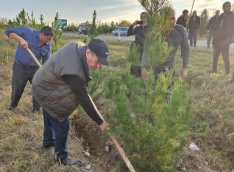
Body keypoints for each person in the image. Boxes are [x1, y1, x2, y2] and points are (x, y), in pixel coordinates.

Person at [32, 39, 108, 166]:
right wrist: (100, 121)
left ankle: (48, 142)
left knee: (49, 113)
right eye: (97, 61)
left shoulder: (77, 45)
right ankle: (62, 158)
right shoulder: (74, 72)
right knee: (62, 123)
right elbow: (84, 99)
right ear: (89, 53)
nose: (98, 66)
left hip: (42, 83)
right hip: (45, 89)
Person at [5, 26, 53, 112]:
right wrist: (20, 39)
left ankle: (36, 109)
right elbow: (8, 32)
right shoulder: (28, 32)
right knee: (17, 88)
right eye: (48, 38)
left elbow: (47, 62)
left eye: (50, 39)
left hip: (35, 69)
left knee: (38, 87)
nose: (49, 41)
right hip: (20, 67)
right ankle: (13, 106)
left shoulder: (47, 46)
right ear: (41, 34)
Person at [141, 7, 190, 80]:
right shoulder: (152, 33)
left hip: (169, 69)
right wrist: (144, 68)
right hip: (152, 69)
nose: (170, 21)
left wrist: (185, 67)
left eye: (173, 18)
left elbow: (186, 48)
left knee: (168, 88)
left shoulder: (180, 30)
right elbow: (146, 52)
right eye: (166, 19)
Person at [212, 1, 234, 74]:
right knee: (215, 57)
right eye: (227, 6)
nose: (229, 7)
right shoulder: (220, 16)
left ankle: (227, 72)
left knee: (225, 57)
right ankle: (214, 71)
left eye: (230, 6)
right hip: (217, 40)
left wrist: (228, 39)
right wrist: (214, 37)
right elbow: (216, 27)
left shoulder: (232, 17)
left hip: (225, 40)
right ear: (223, 7)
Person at [127, 12, 149, 77]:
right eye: (141, 17)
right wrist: (133, 24)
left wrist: (145, 26)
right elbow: (129, 33)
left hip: (146, 53)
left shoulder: (150, 28)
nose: (143, 18)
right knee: (134, 73)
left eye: (145, 17)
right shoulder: (138, 28)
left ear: (148, 18)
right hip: (137, 52)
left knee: (144, 73)